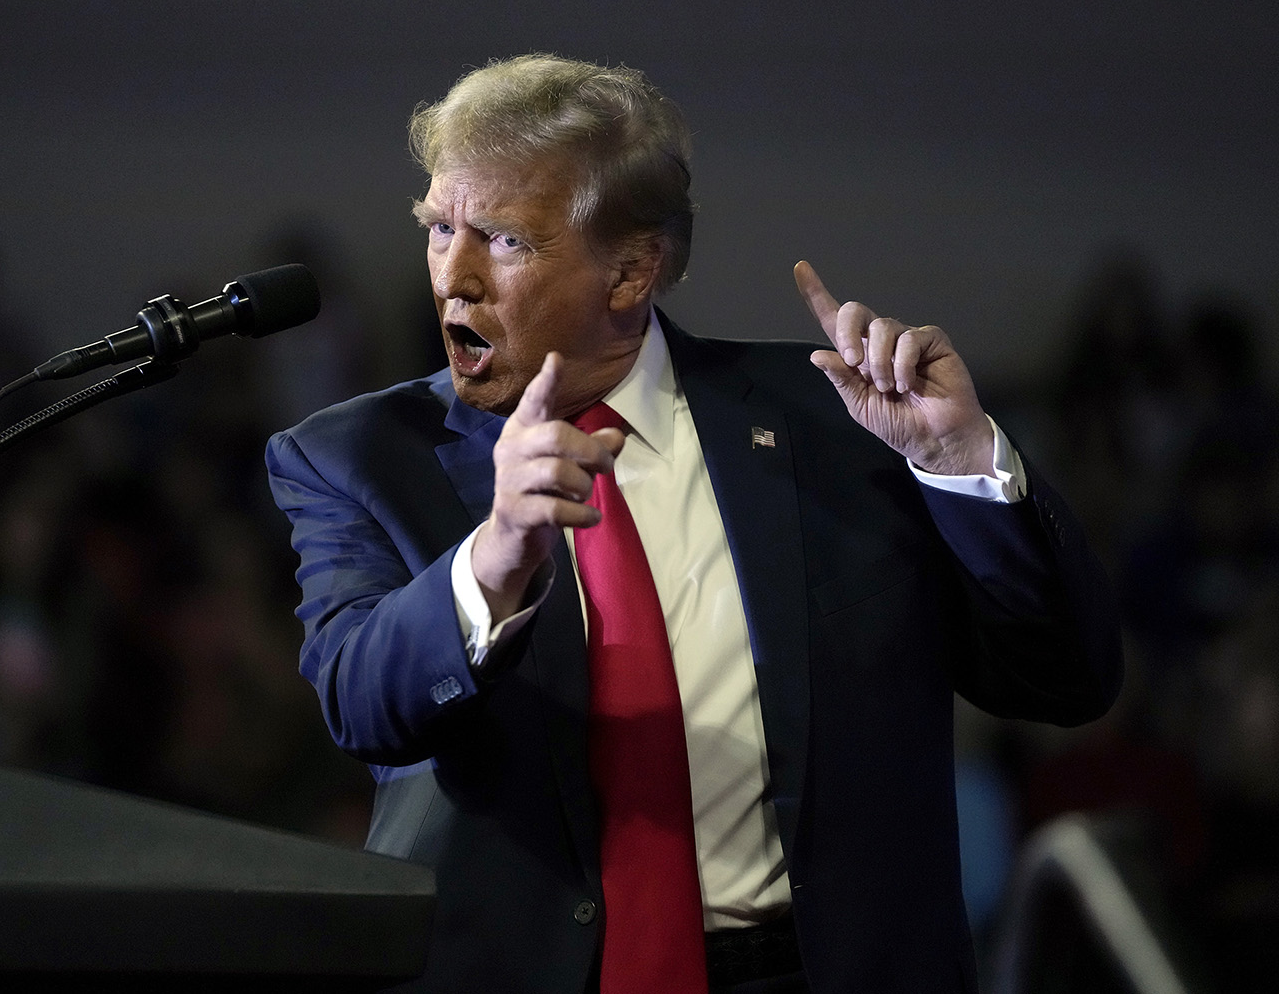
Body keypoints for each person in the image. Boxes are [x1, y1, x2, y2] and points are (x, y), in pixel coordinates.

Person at [266, 54, 1122, 993]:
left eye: (503, 239)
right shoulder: (354, 456)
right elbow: (361, 703)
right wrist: (495, 557)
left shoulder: (839, 423)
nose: (453, 276)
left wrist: (962, 466)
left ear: (631, 270)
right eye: (440, 228)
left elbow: (1065, 677)